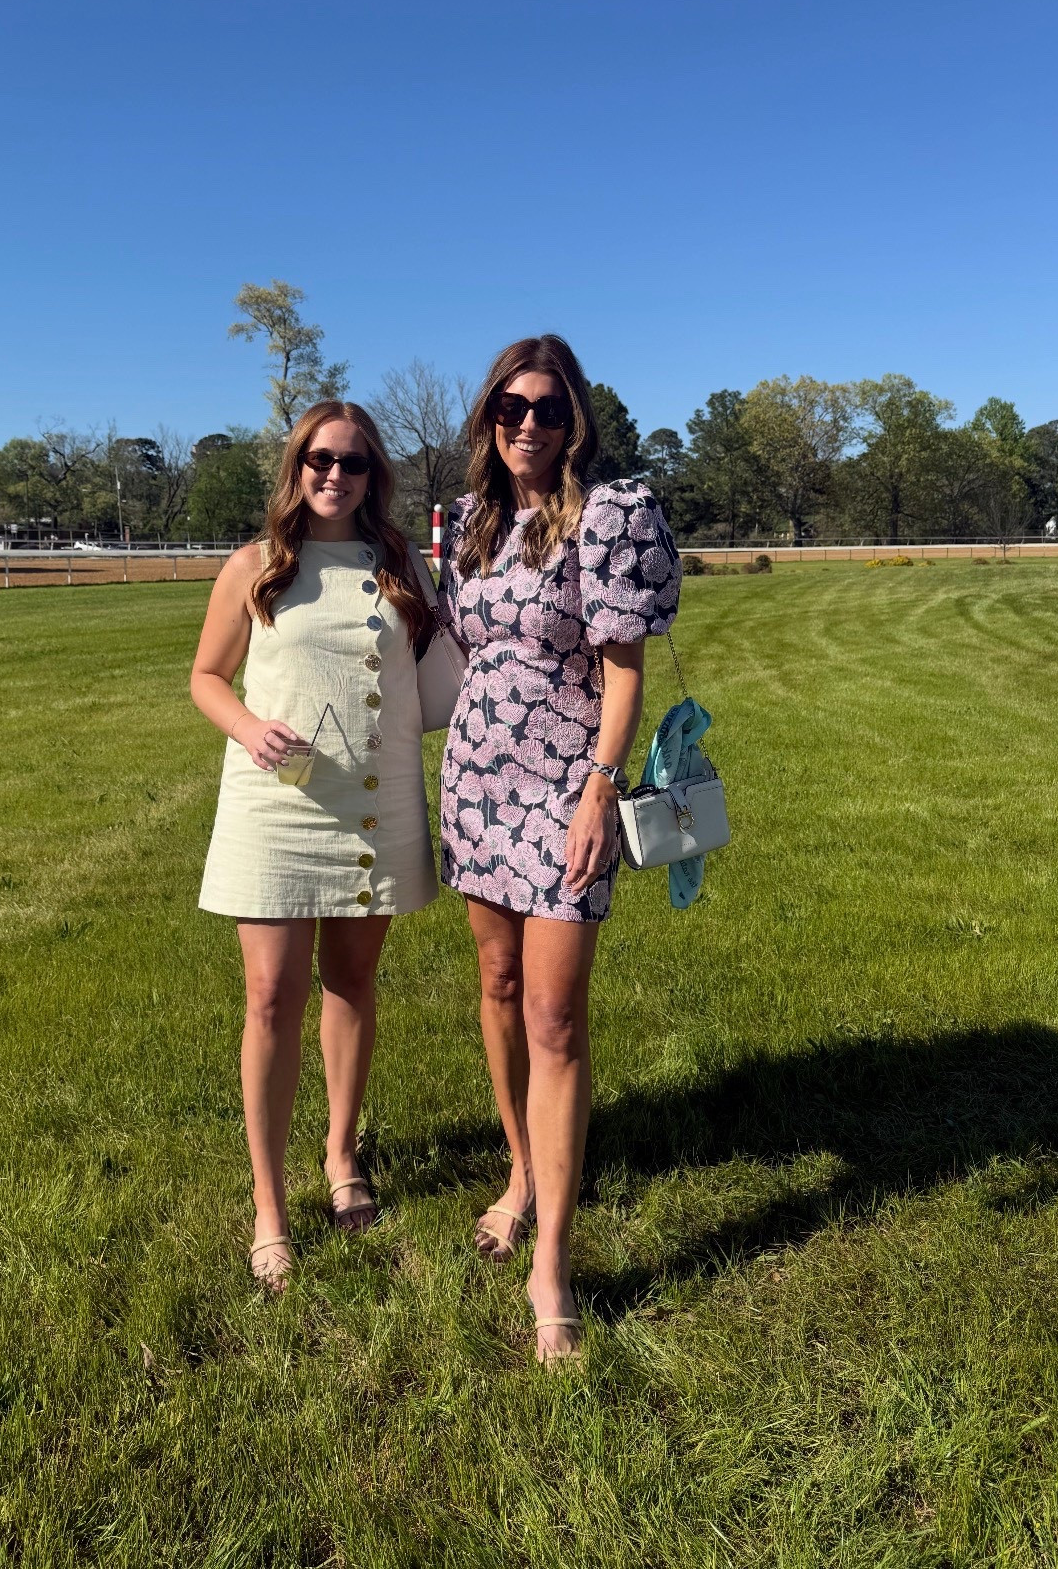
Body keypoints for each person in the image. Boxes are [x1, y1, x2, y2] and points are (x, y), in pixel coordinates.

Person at [437, 335, 681, 1360]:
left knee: (555, 1015)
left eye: (545, 406)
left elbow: (623, 672)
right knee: (497, 985)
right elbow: (465, 651)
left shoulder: (607, 516)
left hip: (562, 789)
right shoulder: (475, 524)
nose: (527, 423)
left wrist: (598, 786)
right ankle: (522, 1172)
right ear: (489, 417)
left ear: (574, 416)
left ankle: (553, 1266)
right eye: (509, 406)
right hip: (476, 785)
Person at [192, 402, 438, 1288]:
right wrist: (249, 726)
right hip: (275, 805)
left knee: (353, 982)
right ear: (296, 468)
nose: (335, 476)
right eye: (320, 460)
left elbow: (445, 675)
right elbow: (205, 676)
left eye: (355, 463)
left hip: (374, 803)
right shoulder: (256, 567)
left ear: (376, 474)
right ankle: (268, 1203)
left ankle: (340, 1156)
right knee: (269, 997)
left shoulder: (401, 562)